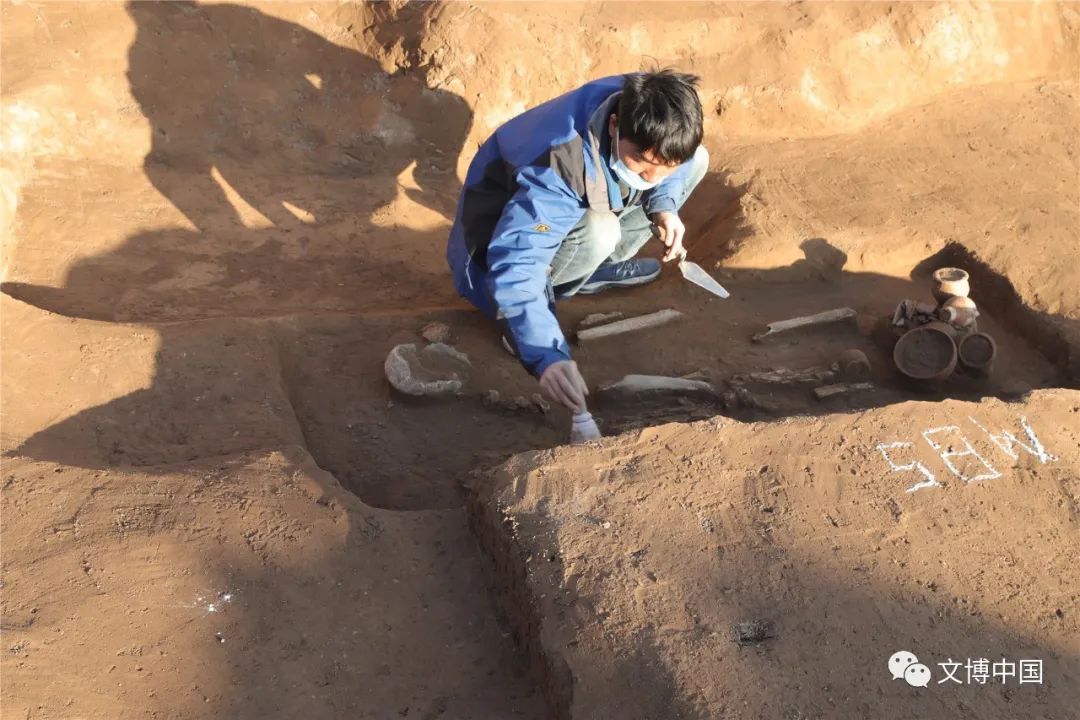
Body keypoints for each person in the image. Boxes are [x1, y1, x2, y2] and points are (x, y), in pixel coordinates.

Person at [446, 69, 708, 412]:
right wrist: (545, 353)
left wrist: (664, 205)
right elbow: (517, 264)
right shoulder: (559, 163)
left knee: (698, 159)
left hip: (583, 191)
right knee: (601, 232)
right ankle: (524, 320)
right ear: (614, 125)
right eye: (642, 163)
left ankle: (592, 270)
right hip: (491, 251)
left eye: (666, 168)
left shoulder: (654, 106)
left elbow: (668, 163)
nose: (652, 178)